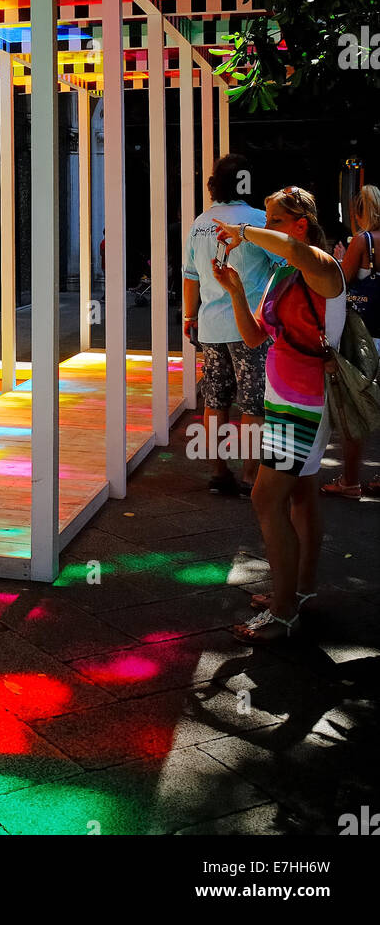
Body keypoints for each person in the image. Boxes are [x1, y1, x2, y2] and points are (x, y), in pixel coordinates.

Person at [212, 186, 346, 641]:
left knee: (265, 499)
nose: (265, 228)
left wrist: (242, 232)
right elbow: (254, 338)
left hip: (302, 406)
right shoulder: (284, 275)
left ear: (299, 224)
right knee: (302, 495)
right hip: (284, 400)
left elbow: (289, 247)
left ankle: (284, 611)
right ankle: (299, 591)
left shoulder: (322, 269)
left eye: (272, 220)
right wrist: (233, 291)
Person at [182, 153, 276, 496]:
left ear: (214, 185)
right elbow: (283, 264)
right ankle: (251, 474)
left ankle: (218, 471)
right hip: (250, 327)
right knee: (253, 402)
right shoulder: (258, 220)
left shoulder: (200, 222)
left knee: (215, 399)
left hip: (210, 326)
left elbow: (190, 276)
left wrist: (190, 316)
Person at [321, 184, 380, 498]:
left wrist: (339, 260)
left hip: (366, 336)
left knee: (354, 409)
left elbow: (340, 281)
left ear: (361, 213)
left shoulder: (364, 241)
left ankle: (351, 481)